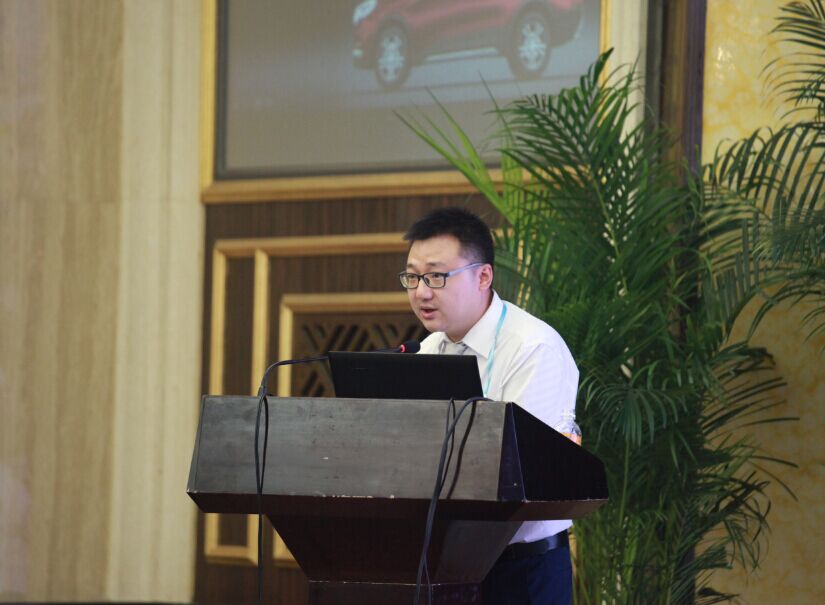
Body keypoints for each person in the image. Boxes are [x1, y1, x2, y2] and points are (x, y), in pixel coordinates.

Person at [400, 207, 579, 605]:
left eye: (436, 276)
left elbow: (526, 469)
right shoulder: (429, 349)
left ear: (483, 276)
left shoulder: (533, 348)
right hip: (448, 564)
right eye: (412, 277)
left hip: (522, 570)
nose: (421, 292)